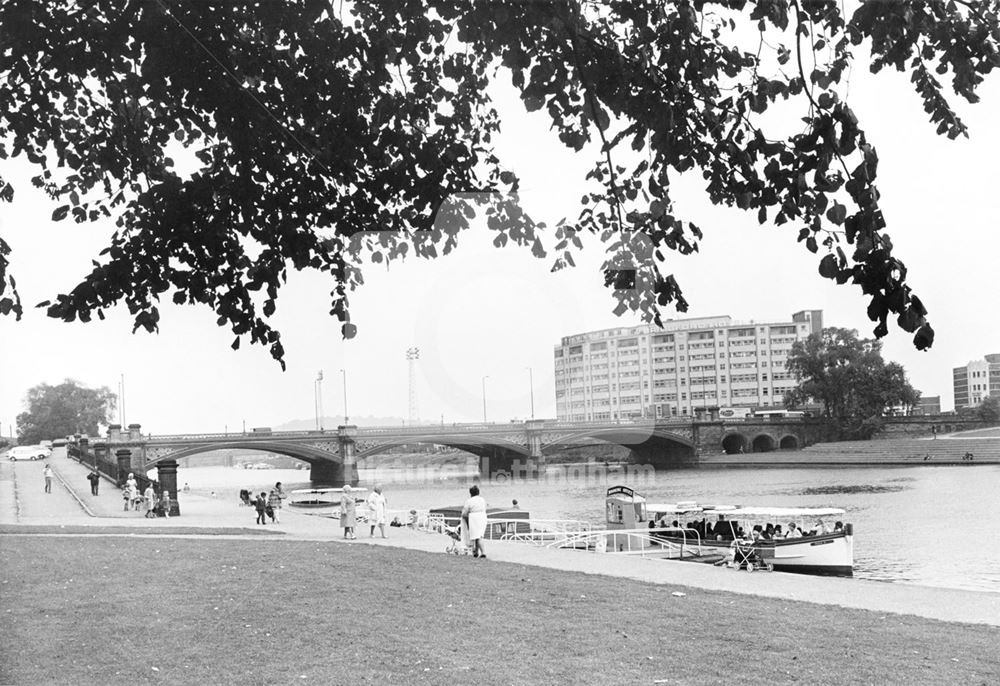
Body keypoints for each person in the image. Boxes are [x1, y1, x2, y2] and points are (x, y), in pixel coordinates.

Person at [462, 484, 488, 559]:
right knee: (478, 535)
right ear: (478, 492)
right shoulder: (482, 500)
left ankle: (483, 552)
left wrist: (465, 518)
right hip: (483, 517)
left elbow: (464, 513)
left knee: (477, 536)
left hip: (474, 518)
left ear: (470, 493)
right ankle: (476, 552)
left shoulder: (469, 501)